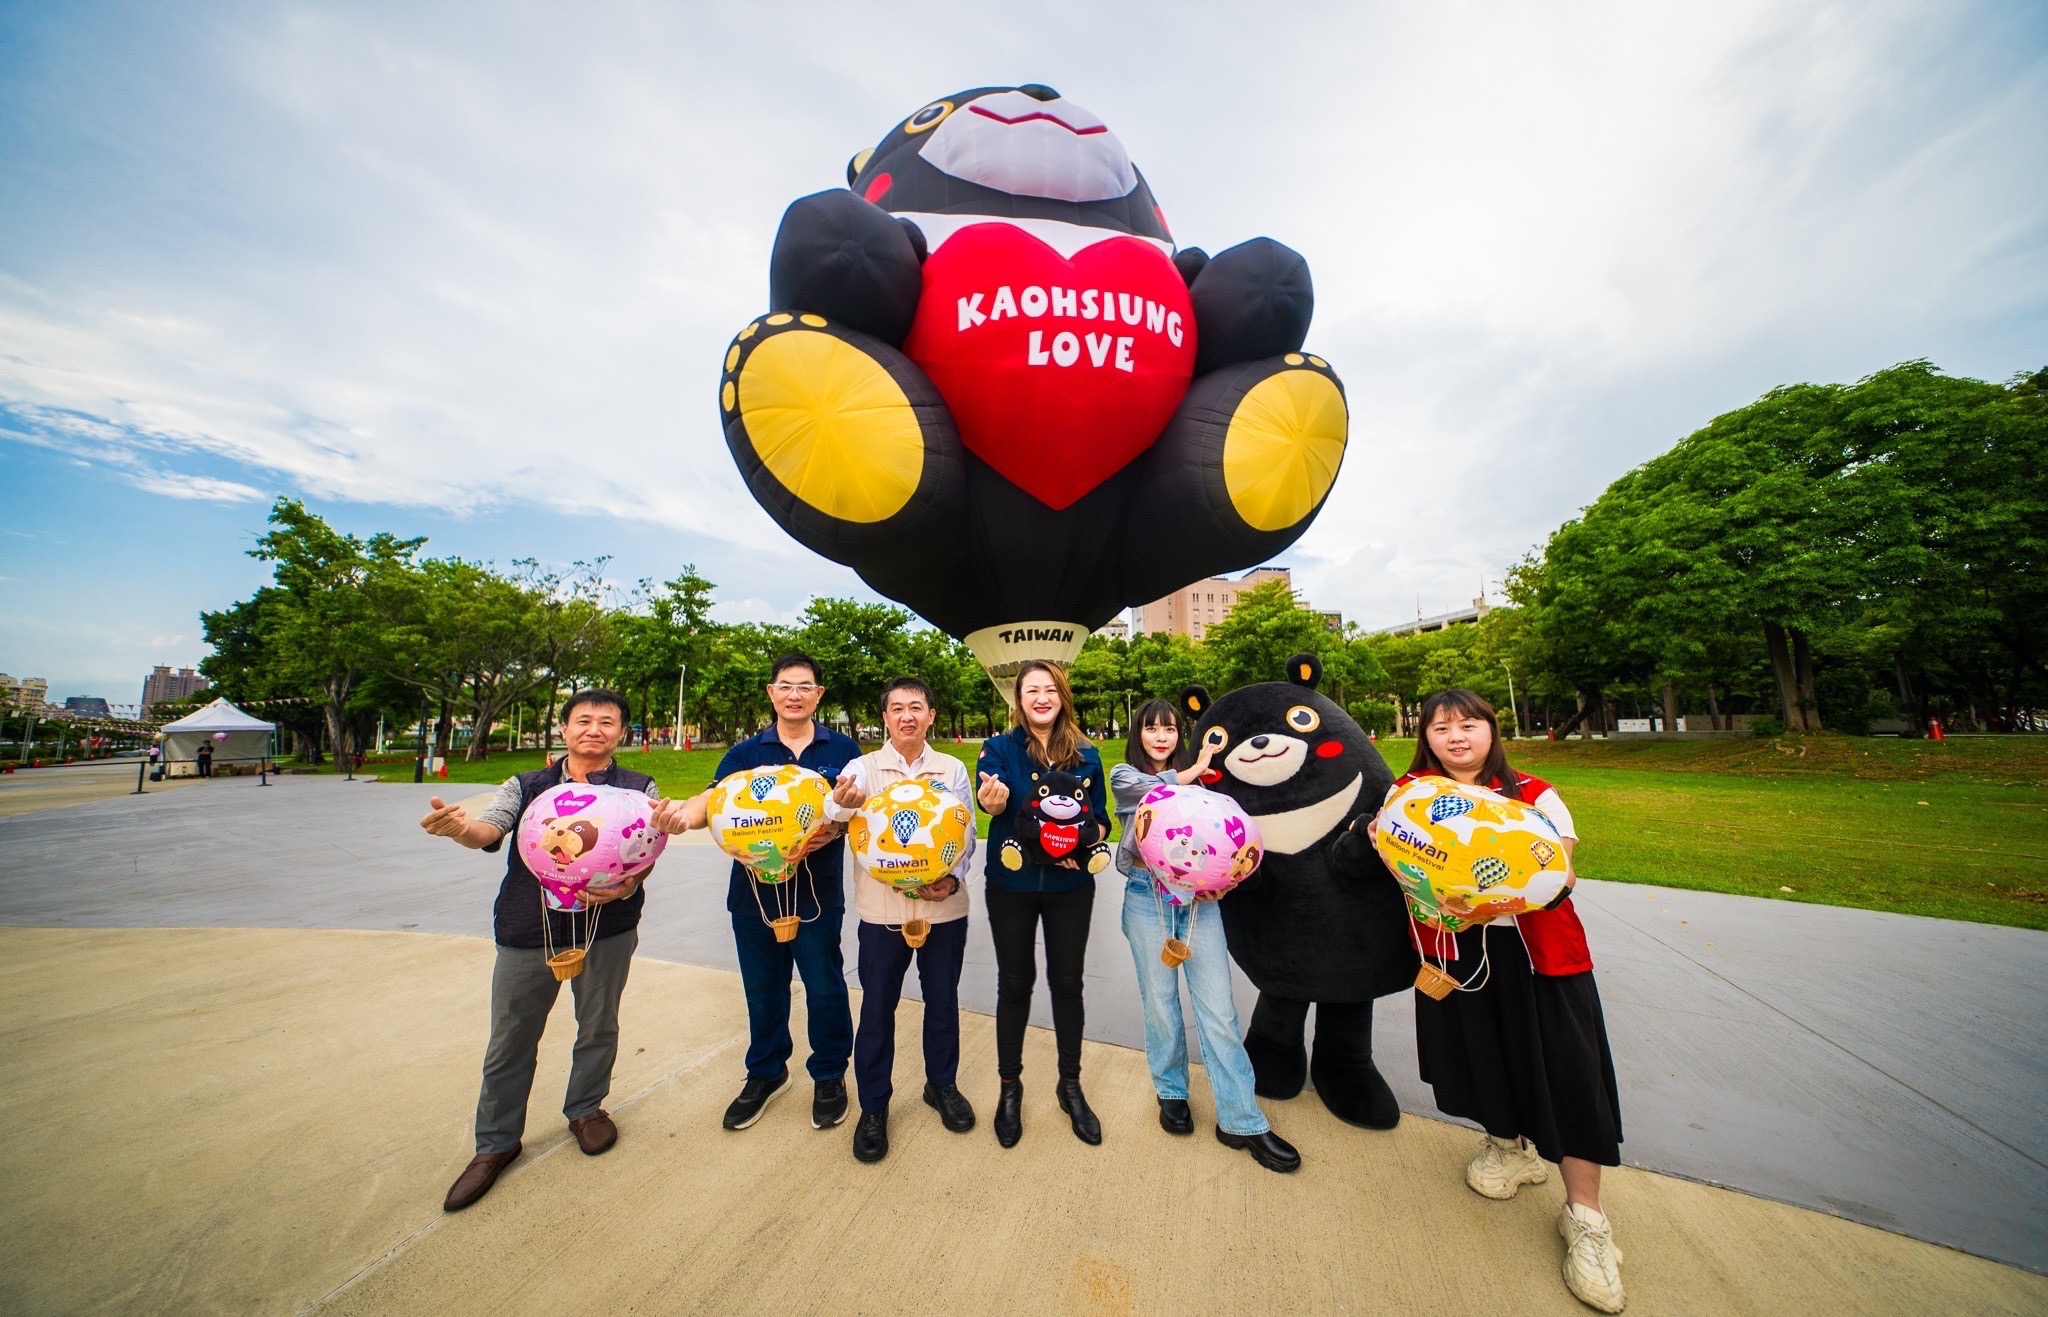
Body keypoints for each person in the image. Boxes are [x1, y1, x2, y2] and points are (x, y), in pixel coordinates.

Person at [1364, 689, 1625, 1312]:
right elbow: (1400, 864)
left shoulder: (1533, 794)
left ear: (1491, 730)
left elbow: (1559, 874)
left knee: (1569, 1073)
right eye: (1441, 727)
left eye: (1469, 724)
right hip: (1457, 958)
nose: (1456, 737)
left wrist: (1484, 902)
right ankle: (1506, 1146)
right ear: (1425, 736)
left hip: (1542, 958)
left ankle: (1586, 1218)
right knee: (1477, 1055)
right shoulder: (1409, 796)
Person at [419, 688, 677, 1212]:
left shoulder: (637, 786)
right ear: (564, 729)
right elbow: (486, 829)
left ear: (621, 734)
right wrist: (459, 829)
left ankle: (586, 1109)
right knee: (511, 1036)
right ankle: (495, 1144)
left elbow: (646, 848)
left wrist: (629, 885)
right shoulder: (528, 785)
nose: (594, 730)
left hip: (608, 926)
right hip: (527, 927)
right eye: (584, 720)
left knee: (599, 1023)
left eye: (607, 722)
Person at [1111, 700, 1299, 1173]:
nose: (1161, 736)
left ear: (1180, 733)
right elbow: (1148, 795)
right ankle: (1171, 1091)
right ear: (1140, 733)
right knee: (1160, 1004)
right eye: (1152, 728)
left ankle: (1241, 1119)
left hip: (1201, 904)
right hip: (1145, 897)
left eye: (1170, 728)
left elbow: (1230, 831)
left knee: (1218, 1009)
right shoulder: (1125, 775)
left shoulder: (1208, 787)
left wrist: (1223, 879)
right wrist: (1192, 769)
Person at [683, 654, 861, 1134]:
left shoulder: (843, 749)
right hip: (753, 891)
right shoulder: (746, 752)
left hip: (817, 891)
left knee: (824, 983)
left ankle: (828, 1073)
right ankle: (766, 1071)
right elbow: (712, 797)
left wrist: (836, 828)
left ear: (818, 695)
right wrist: (685, 814)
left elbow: (859, 811)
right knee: (763, 986)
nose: (795, 694)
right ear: (771, 692)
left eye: (805, 686)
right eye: (786, 686)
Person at [823, 676, 977, 1162]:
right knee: (876, 1011)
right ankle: (874, 1107)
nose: (907, 715)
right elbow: (833, 806)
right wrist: (840, 804)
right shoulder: (863, 768)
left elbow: (967, 835)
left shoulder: (950, 768)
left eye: (916, 706)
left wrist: (951, 881)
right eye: (896, 708)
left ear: (931, 715)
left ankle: (941, 1086)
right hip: (882, 914)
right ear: (884, 718)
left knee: (942, 1002)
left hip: (944, 909)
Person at [974, 660, 1109, 1147]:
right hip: (1011, 887)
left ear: (1062, 695)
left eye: (1050, 689)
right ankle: (1009, 1088)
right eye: (1032, 690)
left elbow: (1101, 823)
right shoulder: (999, 749)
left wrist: (1083, 842)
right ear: (1019, 699)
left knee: (1067, 983)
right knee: (1015, 984)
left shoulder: (1088, 754)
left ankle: (1069, 1085)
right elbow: (991, 802)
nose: (1041, 698)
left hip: (1069, 890)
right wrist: (992, 802)